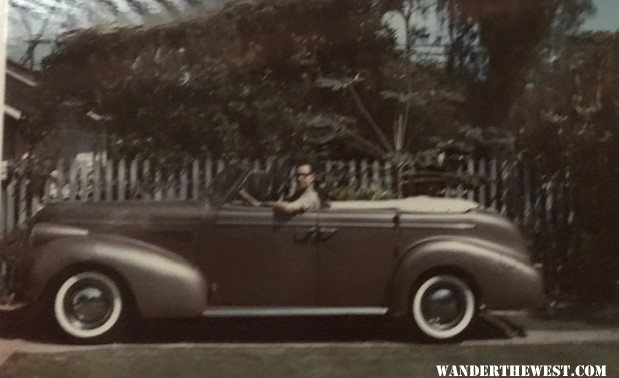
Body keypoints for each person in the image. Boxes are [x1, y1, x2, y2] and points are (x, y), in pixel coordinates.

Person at [239, 163, 321, 214]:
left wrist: (263, 204)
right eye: (298, 175)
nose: (299, 179)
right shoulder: (300, 194)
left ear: (312, 177)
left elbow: (288, 208)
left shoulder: (311, 196)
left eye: (303, 175)